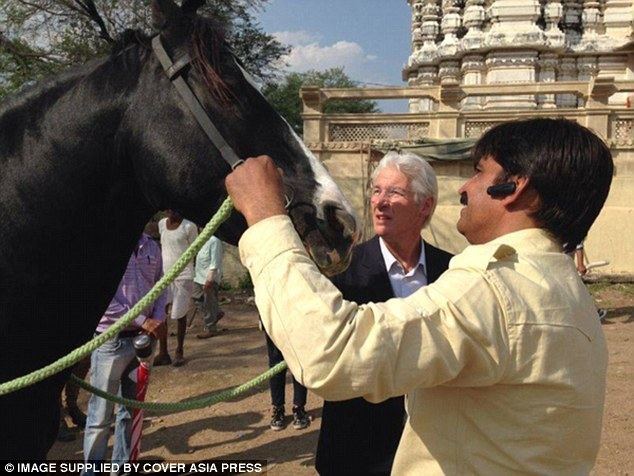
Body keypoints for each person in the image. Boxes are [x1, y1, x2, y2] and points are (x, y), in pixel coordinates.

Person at [226, 118, 613, 474]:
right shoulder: (569, 292)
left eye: (479, 173)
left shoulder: (491, 285)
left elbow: (333, 353)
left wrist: (264, 217)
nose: (463, 188)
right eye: (376, 191)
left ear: (515, 187)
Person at [316, 151, 452, 476]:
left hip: (434, 452)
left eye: (394, 192)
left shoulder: (453, 271)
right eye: (376, 190)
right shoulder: (341, 271)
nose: (379, 202)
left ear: (425, 206)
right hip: (357, 454)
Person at [83, 233, 166, 470]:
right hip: (111, 341)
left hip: (143, 341)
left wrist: (158, 319)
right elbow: (103, 298)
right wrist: (143, 321)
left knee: (130, 414)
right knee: (100, 416)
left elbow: (162, 284)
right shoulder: (106, 246)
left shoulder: (152, 246)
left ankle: (121, 469)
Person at [154, 210, 198, 367]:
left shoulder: (189, 226)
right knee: (161, 313)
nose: (171, 211)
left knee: (180, 314)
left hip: (183, 275)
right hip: (164, 276)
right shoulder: (161, 224)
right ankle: (163, 352)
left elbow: (194, 249)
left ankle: (179, 351)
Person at [264, 328, 311, 431]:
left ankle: (299, 407)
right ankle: (278, 408)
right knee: (276, 362)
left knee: (299, 362)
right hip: (273, 318)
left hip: (297, 319)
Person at [194, 235, 225, 339]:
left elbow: (215, 262)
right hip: (198, 276)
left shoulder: (214, 240)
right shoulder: (202, 239)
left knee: (209, 303)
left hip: (208, 279)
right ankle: (216, 313)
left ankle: (210, 328)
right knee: (197, 298)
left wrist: (210, 278)